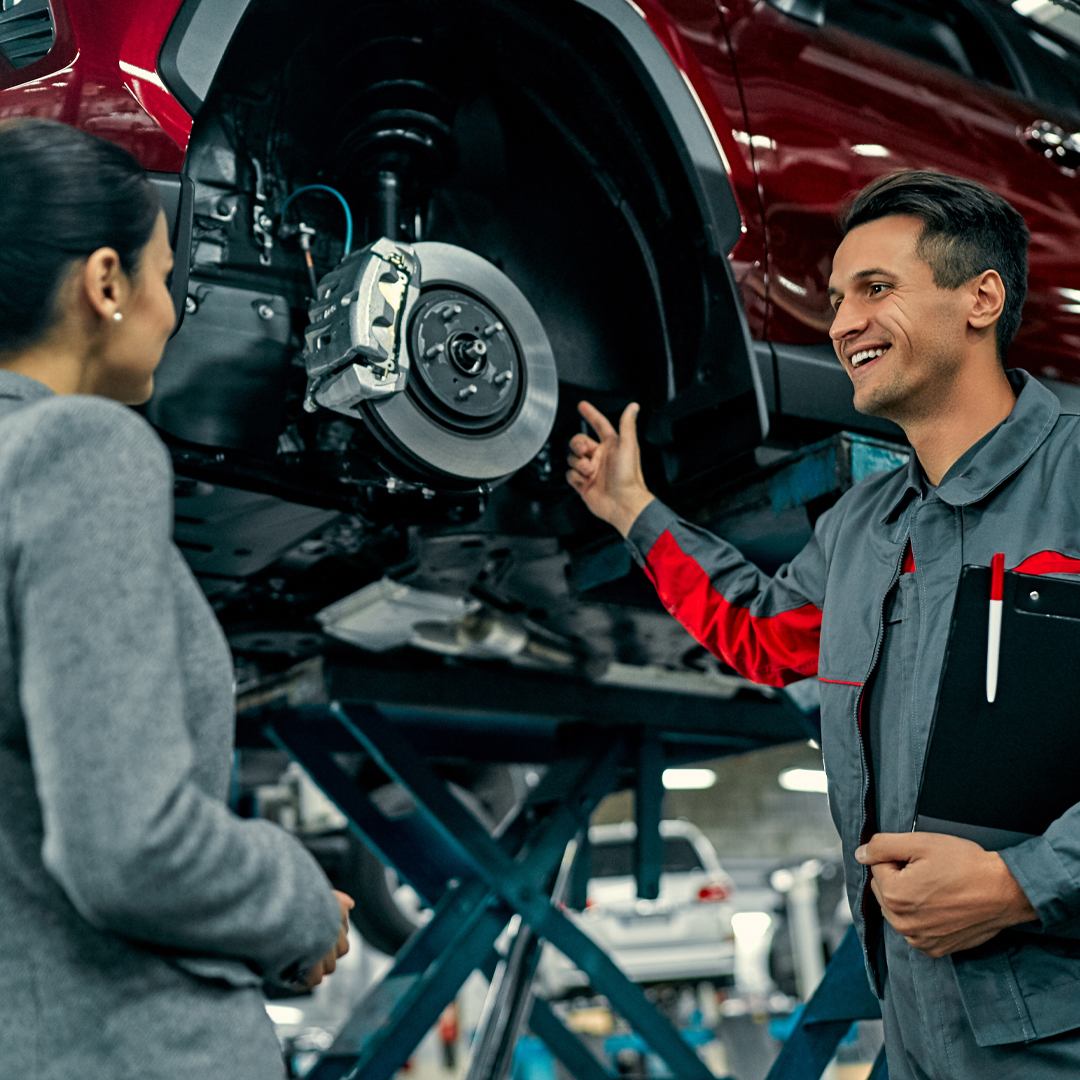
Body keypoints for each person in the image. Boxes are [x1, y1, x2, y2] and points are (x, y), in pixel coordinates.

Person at [567, 170, 1080, 1076]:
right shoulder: (860, 529)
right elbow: (766, 634)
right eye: (839, 298)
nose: (841, 322)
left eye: (876, 289)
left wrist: (1022, 885)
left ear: (982, 297)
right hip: (920, 1030)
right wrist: (635, 510)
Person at [0, 118, 351, 1079]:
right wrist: (300, 896)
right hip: (126, 1046)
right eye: (165, 276)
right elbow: (130, 845)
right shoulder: (77, 451)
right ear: (104, 284)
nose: (174, 310)